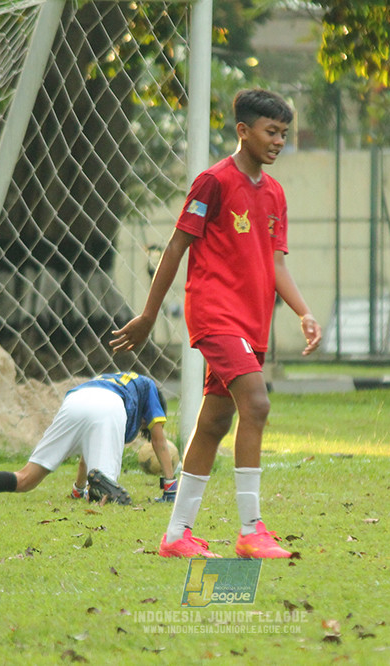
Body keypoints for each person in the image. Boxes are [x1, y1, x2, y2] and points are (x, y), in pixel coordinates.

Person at [110, 88, 322, 559]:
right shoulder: (213, 182)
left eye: (284, 133)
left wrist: (305, 312)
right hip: (215, 314)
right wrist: (148, 315)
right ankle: (251, 531)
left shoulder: (275, 194)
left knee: (214, 422)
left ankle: (176, 535)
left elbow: (277, 265)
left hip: (252, 321)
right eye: (271, 132)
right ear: (243, 131)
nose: (279, 141)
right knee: (258, 405)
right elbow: (175, 247)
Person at [0, 371, 176, 504]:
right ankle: (103, 494)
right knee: (108, 494)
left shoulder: (114, 381)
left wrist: (78, 489)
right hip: (110, 406)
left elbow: (84, 462)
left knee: (25, 479)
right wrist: (169, 488)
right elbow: (158, 441)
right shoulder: (147, 387)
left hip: (76, 399)